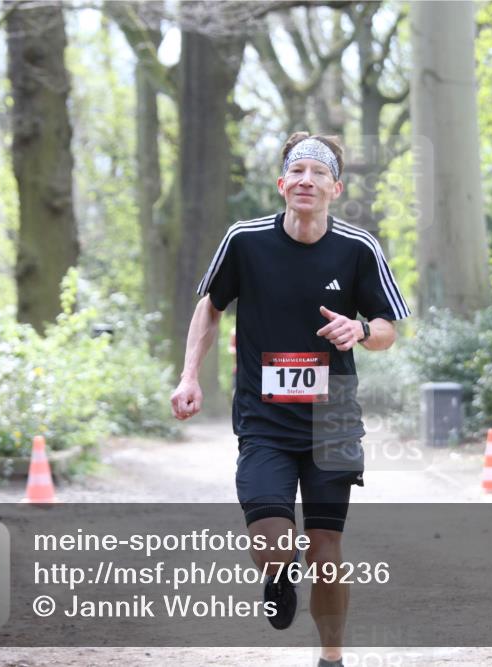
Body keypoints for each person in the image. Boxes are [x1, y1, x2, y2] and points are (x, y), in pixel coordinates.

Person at [170, 132, 410, 667]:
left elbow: (389, 331)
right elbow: (210, 307)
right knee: (273, 543)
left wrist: (361, 327)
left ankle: (332, 658)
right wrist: (189, 376)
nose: (307, 180)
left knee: (327, 552)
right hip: (265, 419)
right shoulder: (245, 240)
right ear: (282, 185)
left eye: (318, 173)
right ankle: (279, 575)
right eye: (297, 171)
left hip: (334, 421)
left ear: (335, 188)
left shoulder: (358, 248)